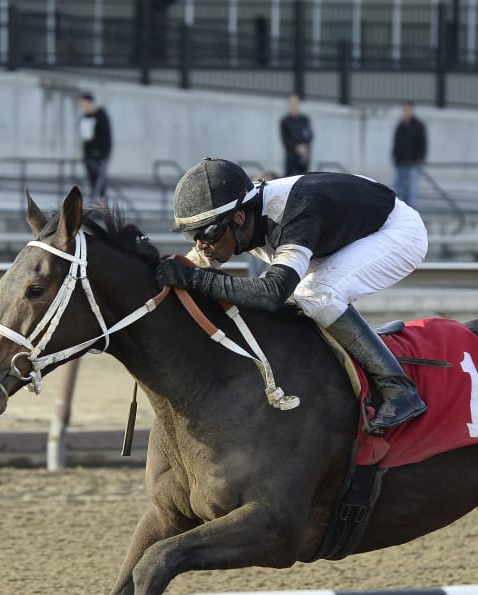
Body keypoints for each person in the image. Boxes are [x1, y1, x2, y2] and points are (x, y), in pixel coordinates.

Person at [155, 157, 428, 434]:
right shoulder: (240, 218)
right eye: (193, 236)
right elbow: (192, 266)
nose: (202, 245)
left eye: (208, 234)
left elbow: (271, 294)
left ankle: (398, 387)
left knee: (316, 294)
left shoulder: (293, 214)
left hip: (395, 232)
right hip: (338, 227)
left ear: (238, 218)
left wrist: (195, 278)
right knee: (291, 301)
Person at [391, 101, 427, 210]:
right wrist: (394, 156)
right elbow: (396, 142)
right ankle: (401, 210)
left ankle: (411, 211)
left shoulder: (418, 125)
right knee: (399, 187)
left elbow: (423, 142)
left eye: (408, 110)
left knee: (412, 189)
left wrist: (420, 157)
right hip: (400, 161)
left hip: (412, 162)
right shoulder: (400, 125)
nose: (406, 112)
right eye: (404, 110)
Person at [78, 92, 112, 203]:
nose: (82, 107)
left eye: (83, 103)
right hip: (88, 156)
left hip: (100, 156)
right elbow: (85, 138)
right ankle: (96, 208)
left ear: (90, 102)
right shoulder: (84, 118)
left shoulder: (101, 117)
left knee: (99, 185)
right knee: (93, 183)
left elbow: (106, 138)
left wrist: (105, 155)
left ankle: (101, 209)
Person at [279, 94, 312, 177]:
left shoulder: (304, 119)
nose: (293, 106)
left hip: (303, 158)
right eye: (291, 104)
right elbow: (285, 139)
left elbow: (309, 135)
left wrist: (305, 147)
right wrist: (297, 147)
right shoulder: (285, 121)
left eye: (295, 104)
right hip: (291, 159)